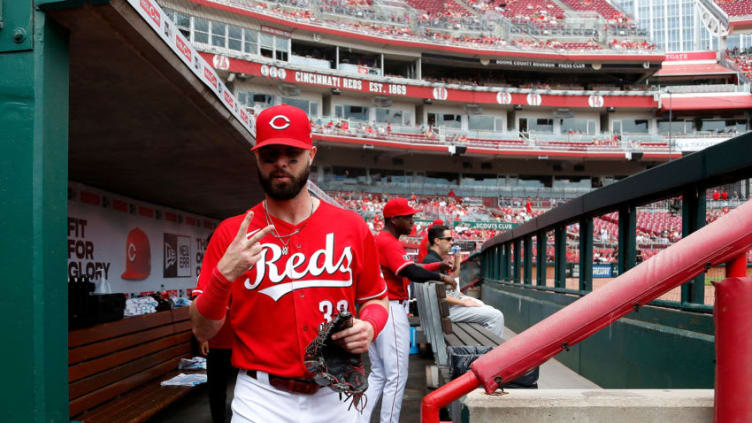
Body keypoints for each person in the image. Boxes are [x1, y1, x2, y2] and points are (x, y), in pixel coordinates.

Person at [191, 104, 389, 423]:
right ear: (256, 158)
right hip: (261, 398)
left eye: (292, 154)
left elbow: (376, 299)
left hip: (337, 393)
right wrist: (222, 279)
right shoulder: (231, 233)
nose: (281, 163)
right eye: (270, 155)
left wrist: (370, 325)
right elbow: (202, 329)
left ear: (311, 155)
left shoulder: (351, 226)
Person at [360, 198, 456, 423]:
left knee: (379, 375)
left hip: (378, 308)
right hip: (391, 310)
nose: (413, 220)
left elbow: (410, 268)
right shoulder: (388, 242)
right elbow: (411, 273)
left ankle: (358, 419)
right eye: (408, 216)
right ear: (394, 219)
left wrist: (435, 266)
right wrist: (440, 275)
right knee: (396, 376)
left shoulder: (383, 240)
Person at [422, 225, 505, 337]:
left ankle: (483, 348)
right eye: (448, 239)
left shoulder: (433, 259)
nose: (451, 242)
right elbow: (436, 294)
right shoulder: (431, 261)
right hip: (441, 312)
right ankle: (489, 353)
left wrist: (457, 261)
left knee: (483, 306)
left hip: (442, 309)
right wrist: (463, 302)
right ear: (437, 241)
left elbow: (451, 288)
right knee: (496, 316)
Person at [192, 233, 237, 423]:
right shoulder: (210, 272)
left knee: (246, 387)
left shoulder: (243, 265)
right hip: (217, 340)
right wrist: (203, 339)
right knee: (217, 390)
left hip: (241, 340)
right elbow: (200, 303)